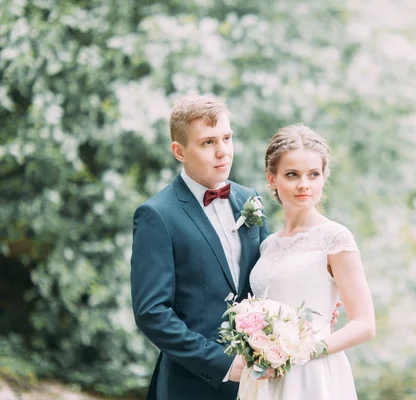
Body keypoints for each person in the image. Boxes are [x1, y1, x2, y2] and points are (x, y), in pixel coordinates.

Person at [130, 95, 268, 400]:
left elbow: (267, 279)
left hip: (257, 383)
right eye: (208, 143)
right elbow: (152, 312)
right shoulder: (157, 216)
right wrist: (222, 364)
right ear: (179, 151)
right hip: (191, 385)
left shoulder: (249, 200)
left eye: (227, 138)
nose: (223, 152)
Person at [250, 124, 376, 399]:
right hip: (266, 376)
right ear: (272, 179)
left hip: (314, 375)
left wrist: (302, 351)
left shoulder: (335, 238)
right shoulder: (267, 244)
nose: (303, 184)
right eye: (292, 175)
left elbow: (364, 324)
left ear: (323, 178)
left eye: (313, 174)